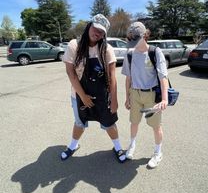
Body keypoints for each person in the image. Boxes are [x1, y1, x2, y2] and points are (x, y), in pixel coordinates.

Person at [61, 14, 126, 163]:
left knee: (109, 123)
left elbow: (112, 75)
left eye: (101, 32)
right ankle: (73, 145)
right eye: (95, 28)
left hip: (103, 94)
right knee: (79, 122)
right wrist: (83, 96)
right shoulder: (74, 45)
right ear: (90, 25)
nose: (97, 33)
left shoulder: (106, 48)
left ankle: (117, 147)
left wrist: (114, 100)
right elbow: (70, 72)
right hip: (78, 94)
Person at [121, 22, 168, 168]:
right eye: (131, 40)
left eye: (136, 39)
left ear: (144, 36)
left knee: (156, 126)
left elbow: (163, 77)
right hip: (135, 93)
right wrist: (127, 97)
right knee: (134, 122)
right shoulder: (129, 54)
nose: (133, 43)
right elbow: (128, 78)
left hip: (152, 95)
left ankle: (158, 152)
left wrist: (165, 99)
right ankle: (132, 145)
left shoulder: (155, 52)